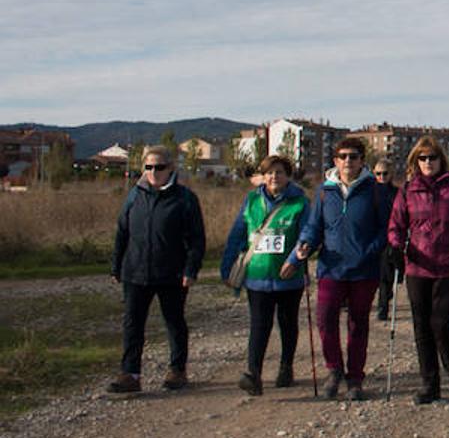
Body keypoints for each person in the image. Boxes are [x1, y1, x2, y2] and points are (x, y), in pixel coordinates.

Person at [295, 137, 393, 401]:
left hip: (364, 270)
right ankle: (334, 369)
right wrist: (305, 244)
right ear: (335, 160)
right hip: (331, 267)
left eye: (353, 156)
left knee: (358, 324)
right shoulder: (325, 191)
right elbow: (315, 226)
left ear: (362, 160)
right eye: (343, 156)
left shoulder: (376, 190)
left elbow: (386, 229)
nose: (348, 161)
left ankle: (355, 377)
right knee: (325, 318)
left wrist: (369, 251)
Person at [108, 146, 206, 393]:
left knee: (174, 322)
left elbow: (196, 239)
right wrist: (116, 265)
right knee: (133, 323)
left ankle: (177, 370)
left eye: (159, 167)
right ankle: (130, 374)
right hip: (135, 271)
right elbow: (122, 232)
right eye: (148, 167)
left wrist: (191, 269)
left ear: (171, 169)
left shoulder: (185, 198)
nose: (153, 172)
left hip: (171, 273)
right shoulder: (134, 195)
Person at [386, 137, 449, 404]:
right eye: (422, 158)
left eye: (432, 157)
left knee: (442, 321)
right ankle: (429, 382)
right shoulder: (407, 191)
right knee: (422, 325)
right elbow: (396, 224)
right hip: (417, 266)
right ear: (415, 161)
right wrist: (395, 246)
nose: (427, 162)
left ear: (440, 160)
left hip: (448, 264)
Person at [219, 155, 311, 396]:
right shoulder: (251, 201)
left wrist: (294, 260)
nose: (274, 177)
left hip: (288, 277)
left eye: (279, 172)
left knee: (287, 323)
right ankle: (254, 374)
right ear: (263, 176)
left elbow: (306, 235)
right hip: (257, 276)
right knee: (259, 324)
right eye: (269, 172)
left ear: (287, 176)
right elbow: (237, 234)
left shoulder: (300, 203)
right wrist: (227, 266)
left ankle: (286, 366)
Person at [373, 158, 404, 322]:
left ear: (390, 174)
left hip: (391, 237)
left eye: (385, 173)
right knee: (380, 275)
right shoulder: (370, 191)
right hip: (373, 237)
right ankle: (382, 306)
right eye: (378, 174)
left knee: (389, 274)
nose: (382, 177)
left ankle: (384, 303)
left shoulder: (397, 193)